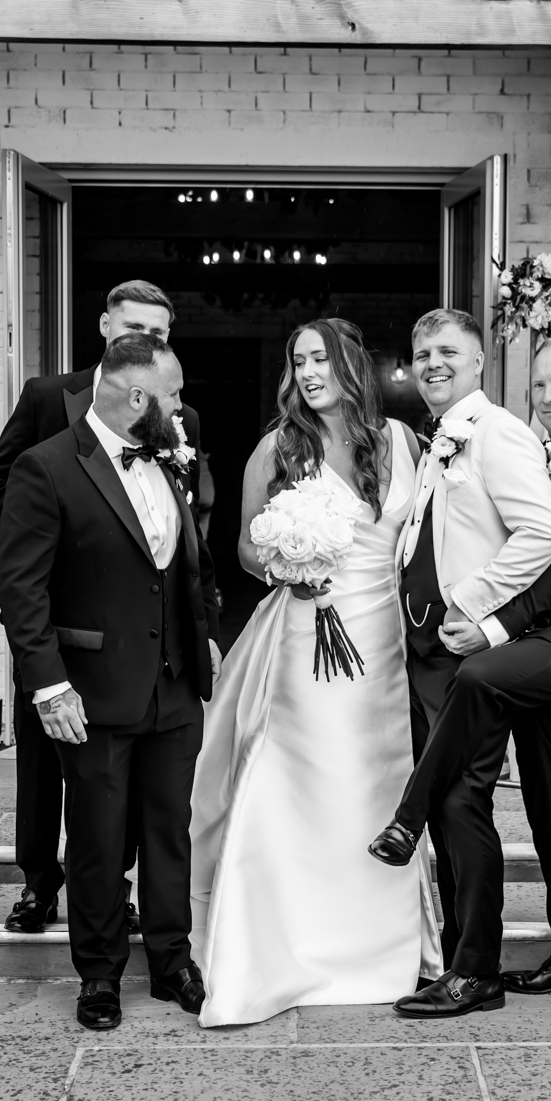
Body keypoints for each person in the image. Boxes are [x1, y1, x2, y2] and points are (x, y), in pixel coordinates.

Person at [189, 318, 439, 1028]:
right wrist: (287, 563)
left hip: (387, 639)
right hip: (307, 632)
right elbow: (240, 547)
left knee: (376, 781)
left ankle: (380, 945)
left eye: (320, 357)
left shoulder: (401, 441)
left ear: (350, 363)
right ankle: (280, 946)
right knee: (303, 778)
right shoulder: (278, 446)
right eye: (298, 360)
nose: (307, 371)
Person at [377, 336, 551, 1002]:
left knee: (478, 680)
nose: (550, 397)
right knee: (549, 797)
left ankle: (410, 815)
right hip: (543, 635)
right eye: (542, 386)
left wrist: (492, 626)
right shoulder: (528, 445)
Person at [0, 332, 219, 1031]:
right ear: (135, 396)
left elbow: (190, 562)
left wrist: (206, 631)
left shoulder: (169, 459)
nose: (182, 406)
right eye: (174, 392)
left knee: (169, 829)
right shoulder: (47, 467)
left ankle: (171, 958)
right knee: (94, 836)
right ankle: (97, 974)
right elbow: (22, 589)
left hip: (174, 685)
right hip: (90, 691)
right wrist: (48, 686)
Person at [368, 308, 551, 1020]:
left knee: (461, 804)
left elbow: (546, 532)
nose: (432, 363)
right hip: (424, 657)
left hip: (463, 658)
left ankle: (477, 970)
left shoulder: (498, 433)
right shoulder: (439, 440)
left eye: (447, 351)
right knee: (453, 809)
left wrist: (472, 604)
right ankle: (457, 958)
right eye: (421, 353)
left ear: (481, 362)